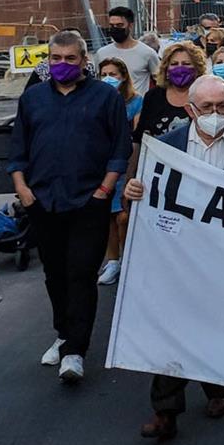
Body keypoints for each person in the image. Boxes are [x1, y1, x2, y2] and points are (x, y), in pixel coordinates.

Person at [122, 75, 224, 440]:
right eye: (207, 107)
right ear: (190, 109)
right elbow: (147, 191)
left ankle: (218, 389)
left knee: (219, 325)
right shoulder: (165, 146)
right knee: (171, 328)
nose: (215, 114)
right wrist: (134, 190)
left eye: (222, 107)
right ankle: (165, 411)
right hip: (178, 255)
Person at [9, 30, 130, 382]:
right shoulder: (32, 99)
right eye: (56, 59)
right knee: (54, 274)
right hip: (42, 201)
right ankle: (63, 332)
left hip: (88, 201)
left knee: (80, 273)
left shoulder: (105, 98)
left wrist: (105, 189)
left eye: (70, 59)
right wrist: (22, 190)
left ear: (84, 61)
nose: (62, 65)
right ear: (48, 61)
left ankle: (75, 350)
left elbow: (120, 148)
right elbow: (18, 149)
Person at [93, 58, 144, 286]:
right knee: (107, 219)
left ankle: (128, 259)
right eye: (104, 73)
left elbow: (136, 136)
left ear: (123, 76)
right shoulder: (94, 101)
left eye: (113, 74)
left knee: (124, 217)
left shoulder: (135, 102)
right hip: (100, 166)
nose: (108, 78)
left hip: (125, 165)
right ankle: (113, 261)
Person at [136, 43, 208, 140]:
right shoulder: (153, 96)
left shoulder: (208, 95)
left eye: (186, 64)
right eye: (174, 64)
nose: (180, 68)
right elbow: (139, 136)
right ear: (166, 69)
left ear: (197, 69)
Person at [94, 6, 160, 94]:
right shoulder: (101, 53)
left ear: (130, 26)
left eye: (119, 25)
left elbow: (159, 80)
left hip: (138, 106)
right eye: (112, 26)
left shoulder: (147, 53)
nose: (115, 29)